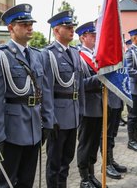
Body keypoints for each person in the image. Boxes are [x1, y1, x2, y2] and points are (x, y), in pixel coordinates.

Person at [0, 3, 51, 188]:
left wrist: (46, 122)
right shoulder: (0, 56)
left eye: (31, 23)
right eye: (24, 23)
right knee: (7, 182)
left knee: (27, 181)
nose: (30, 27)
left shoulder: (37, 55)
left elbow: (43, 92)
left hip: (34, 128)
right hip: (11, 132)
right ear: (11, 28)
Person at [42, 10, 85, 188]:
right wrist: (49, 118)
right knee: (54, 162)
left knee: (67, 160)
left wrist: (81, 110)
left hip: (73, 114)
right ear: (56, 30)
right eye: (67, 27)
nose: (71, 30)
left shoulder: (75, 53)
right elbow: (46, 89)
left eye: (72, 27)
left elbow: (79, 84)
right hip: (58, 118)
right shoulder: (48, 54)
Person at [75, 21, 104, 187]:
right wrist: (100, 77)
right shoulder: (79, 57)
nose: (95, 38)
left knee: (94, 143)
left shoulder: (96, 56)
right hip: (87, 106)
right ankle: (84, 177)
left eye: (95, 35)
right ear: (83, 37)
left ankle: (91, 174)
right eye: (92, 35)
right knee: (85, 143)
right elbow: (80, 85)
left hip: (99, 105)